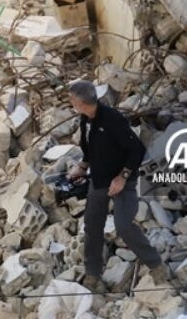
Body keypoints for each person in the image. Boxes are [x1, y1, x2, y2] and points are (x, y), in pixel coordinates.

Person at [67, 79, 171, 290]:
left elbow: (137, 150)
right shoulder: (85, 119)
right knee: (92, 225)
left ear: (81, 102)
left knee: (124, 226)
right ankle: (92, 273)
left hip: (123, 180)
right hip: (98, 180)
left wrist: (122, 177)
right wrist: (82, 166)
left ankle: (156, 264)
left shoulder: (112, 119)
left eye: (72, 100)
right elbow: (88, 148)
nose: (71, 103)